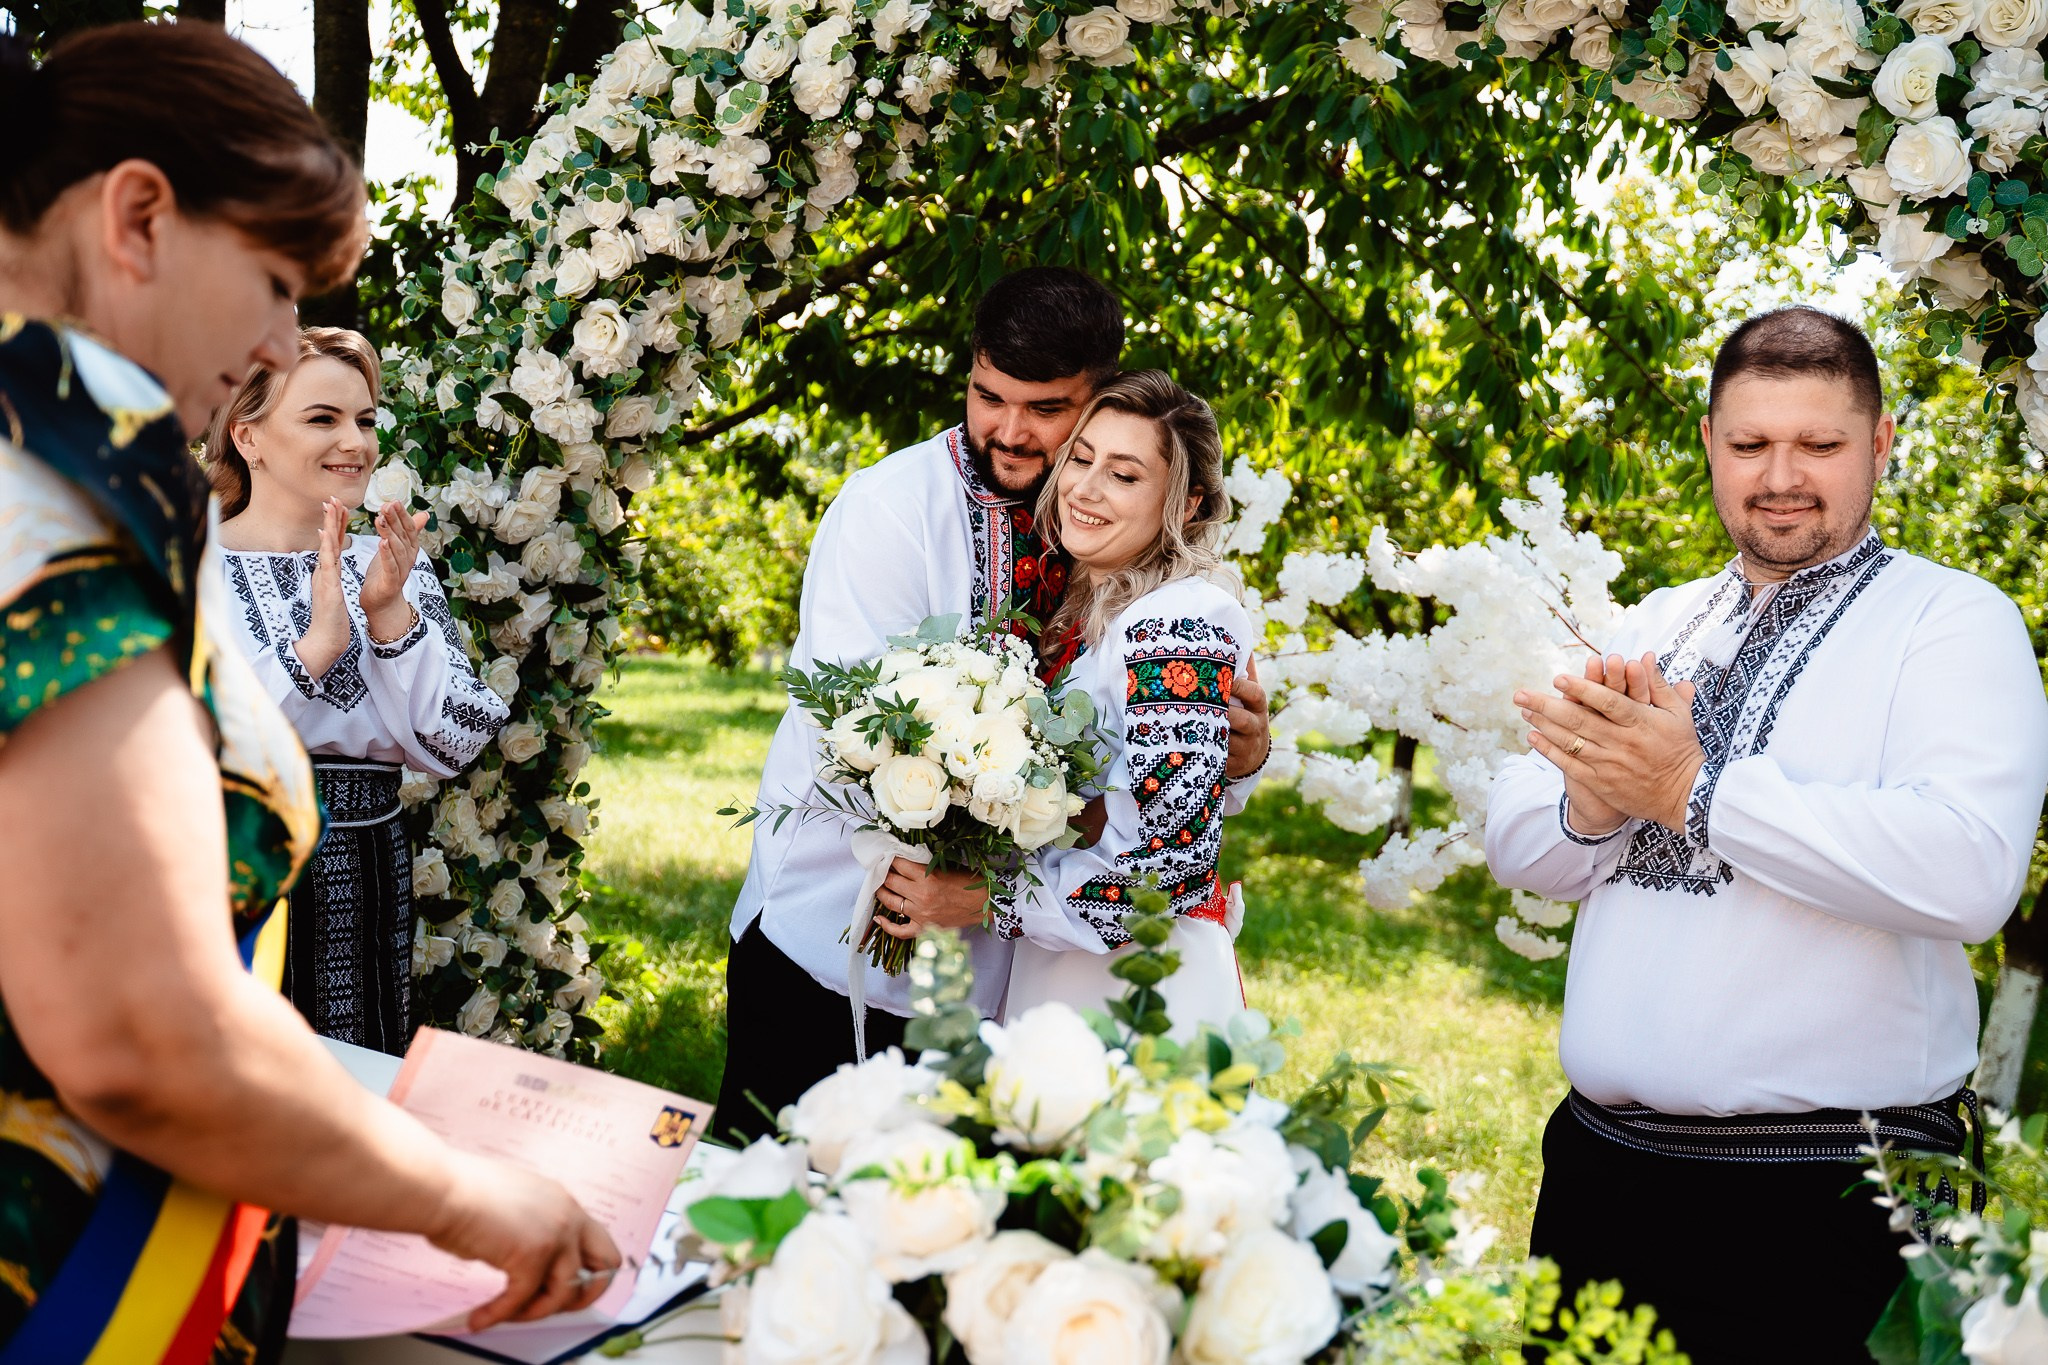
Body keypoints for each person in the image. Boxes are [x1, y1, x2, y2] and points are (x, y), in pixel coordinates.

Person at [0, 22, 614, 1359]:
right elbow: (135, 1036)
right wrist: (458, 1194)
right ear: (140, 216)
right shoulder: (36, 498)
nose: (284, 343)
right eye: (278, 281)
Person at [1486, 305, 2048, 1362]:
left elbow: (1969, 871)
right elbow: (1519, 845)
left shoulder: (1949, 621)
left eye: (1819, 445)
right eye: (1748, 444)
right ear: (1708, 444)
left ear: (1879, 444)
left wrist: (1692, 789)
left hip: (1834, 1199)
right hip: (1601, 1181)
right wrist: (1599, 802)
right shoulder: (1652, 622)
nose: (1779, 475)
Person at [716, 268, 1272, 1140]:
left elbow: (1158, 822)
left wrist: (1229, 755)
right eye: (988, 396)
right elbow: (855, 729)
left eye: (1049, 413)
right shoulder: (891, 512)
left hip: (1014, 983)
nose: (1010, 432)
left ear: (1097, 400)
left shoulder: (1130, 584)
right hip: (838, 946)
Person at [209, 327, 510, 1055]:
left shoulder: (391, 562)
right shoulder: (194, 568)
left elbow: (456, 740)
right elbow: (184, 743)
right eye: (323, 418)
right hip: (229, 866)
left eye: (366, 419)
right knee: (238, 1080)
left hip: (367, 871)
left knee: (359, 1072)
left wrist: (388, 615)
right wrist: (314, 649)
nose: (356, 441)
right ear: (249, 437)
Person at [992, 371, 1252, 1031]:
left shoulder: (1186, 617)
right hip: (1067, 973)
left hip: (1141, 994)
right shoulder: (1097, 610)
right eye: (1082, 458)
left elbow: (1167, 863)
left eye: (1125, 475)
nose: (1086, 486)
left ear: (1188, 503)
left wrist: (987, 902)